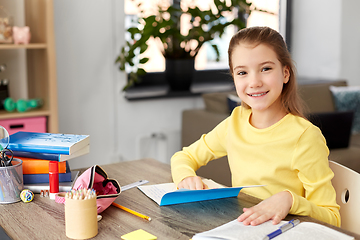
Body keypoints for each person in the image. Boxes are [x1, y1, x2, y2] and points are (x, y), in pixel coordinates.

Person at [170, 26, 340, 227]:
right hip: (241, 227)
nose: (254, 82)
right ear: (234, 78)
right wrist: (186, 177)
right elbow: (184, 157)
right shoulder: (235, 122)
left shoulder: (305, 137)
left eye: (265, 69)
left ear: (285, 74)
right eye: (242, 72)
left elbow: (333, 219)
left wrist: (289, 200)